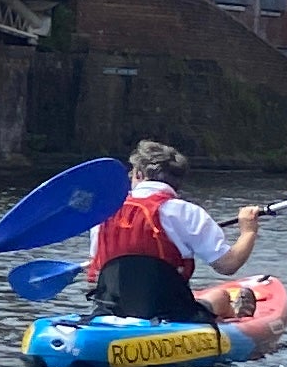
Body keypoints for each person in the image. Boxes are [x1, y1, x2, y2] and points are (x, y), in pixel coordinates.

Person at [86, 138, 265, 322]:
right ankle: (232, 316)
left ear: (139, 174)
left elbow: (98, 265)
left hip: (110, 312)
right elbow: (228, 265)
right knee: (221, 297)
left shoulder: (103, 213)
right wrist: (248, 231)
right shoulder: (187, 213)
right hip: (171, 314)